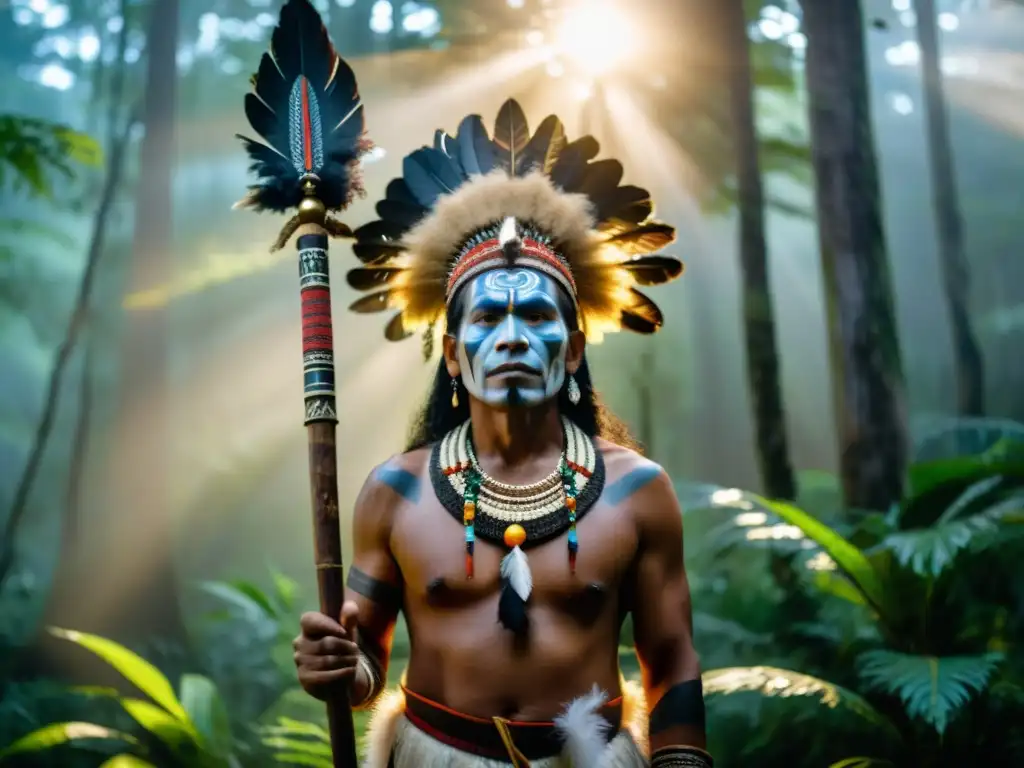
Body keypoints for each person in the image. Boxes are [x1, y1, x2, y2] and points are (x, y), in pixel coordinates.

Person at [292, 100, 711, 768]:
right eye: (487, 318)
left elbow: (671, 656)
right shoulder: (395, 490)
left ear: (573, 350)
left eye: (537, 315)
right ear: (454, 355)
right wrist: (337, 666)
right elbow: (363, 662)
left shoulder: (637, 491)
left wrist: (682, 763)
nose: (513, 337)